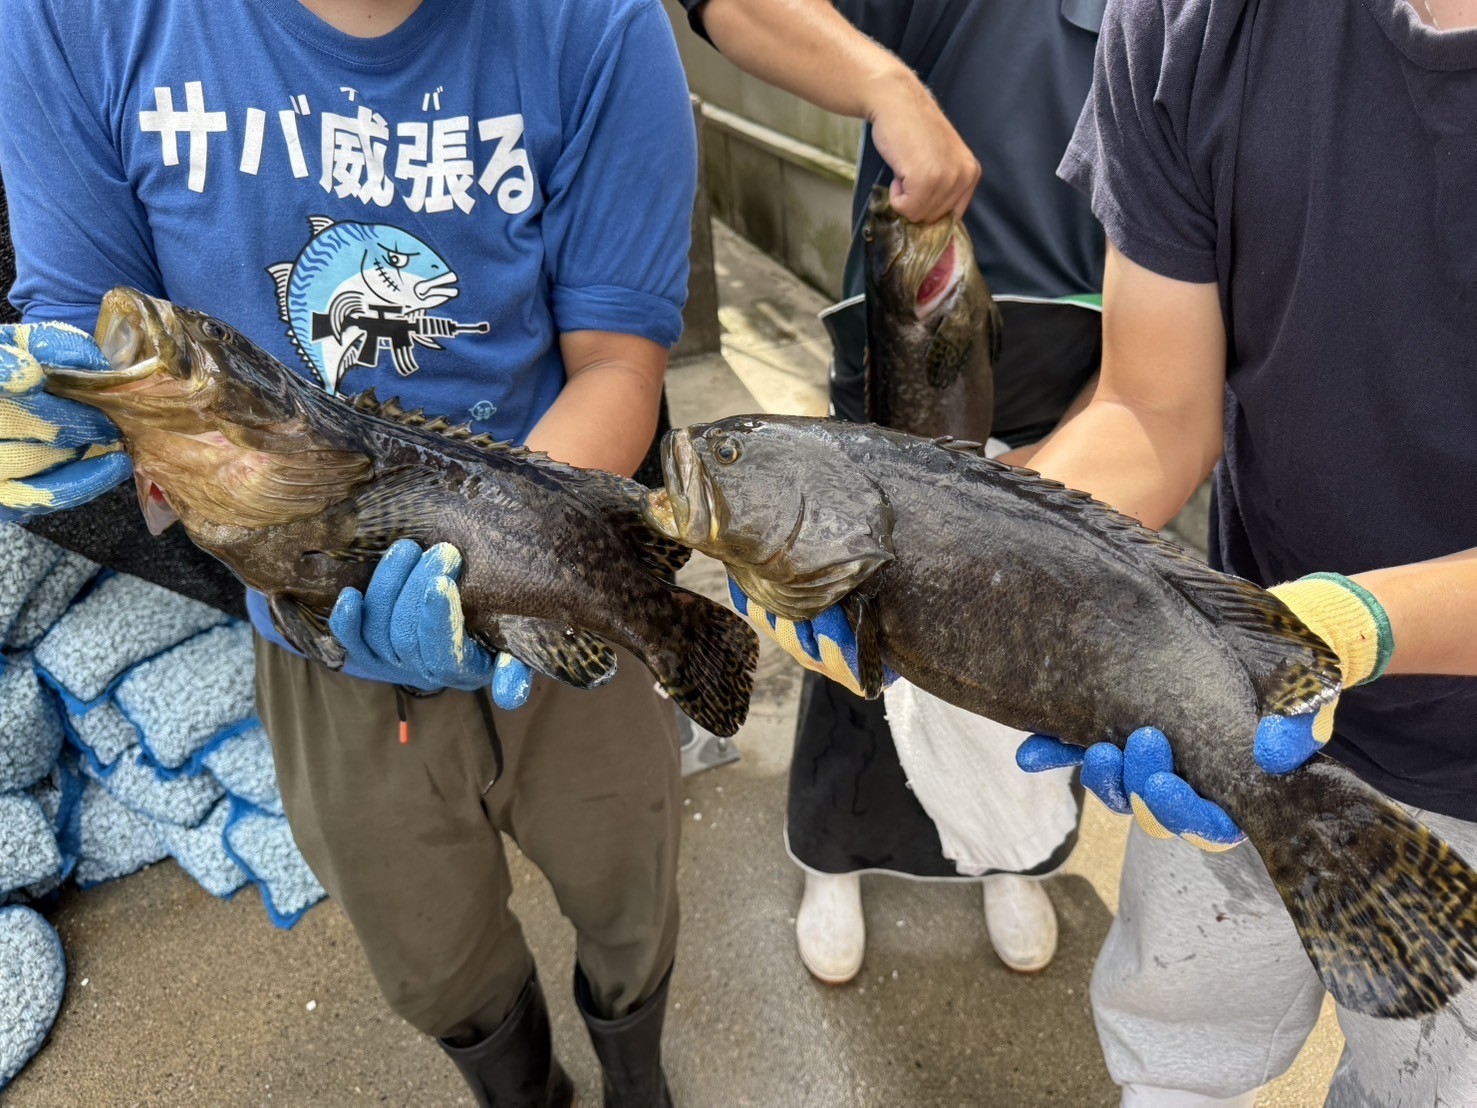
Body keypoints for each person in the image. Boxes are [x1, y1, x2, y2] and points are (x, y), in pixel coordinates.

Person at [747, 0, 1477, 1102]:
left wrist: (1350, 629)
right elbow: (1151, 408)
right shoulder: (1188, 25)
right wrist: (958, 561)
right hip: (1228, 675)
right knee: (1174, 1060)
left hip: (1389, 724)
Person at [0, 1, 697, 1104]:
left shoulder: (597, 21)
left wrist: (496, 569)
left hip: (559, 566)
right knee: (431, 958)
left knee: (631, 885)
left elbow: (617, 360)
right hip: (312, 632)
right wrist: (79, 405)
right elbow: (88, 318)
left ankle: (638, 1077)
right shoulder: (71, 19)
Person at [678, 0, 1105, 983]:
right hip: (903, 339)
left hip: (1093, 366)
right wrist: (884, 85)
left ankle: (1011, 846)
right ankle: (834, 848)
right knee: (863, 616)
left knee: (1037, 636)